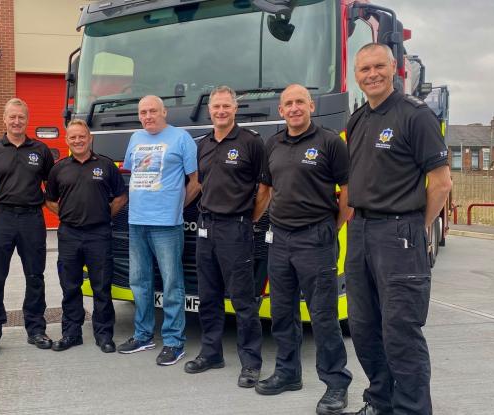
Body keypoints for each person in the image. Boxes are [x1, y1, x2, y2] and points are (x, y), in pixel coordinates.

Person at [343, 43, 452, 415]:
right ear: (355, 76)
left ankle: (411, 409)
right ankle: (380, 401)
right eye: (363, 69)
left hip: (398, 233)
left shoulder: (414, 115)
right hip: (360, 233)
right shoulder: (356, 120)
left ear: (394, 69)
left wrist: (417, 228)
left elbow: (440, 183)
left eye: (378, 67)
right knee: (363, 327)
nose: (371, 74)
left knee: (401, 330)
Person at [252, 84, 353, 414]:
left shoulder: (329, 143)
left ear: (310, 105)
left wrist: (330, 228)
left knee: (323, 316)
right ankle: (287, 372)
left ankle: (336, 383)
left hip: (316, 238)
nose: (294, 108)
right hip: (280, 239)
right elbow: (266, 190)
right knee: (282, 312)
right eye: (288, 104)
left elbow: (348, 194)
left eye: (300, 102)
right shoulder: (273, 144)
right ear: (280, 111)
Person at [183, 86, 263, 387]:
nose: (220, 111)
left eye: (226, 106)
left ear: (235, 109)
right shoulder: (202, 144)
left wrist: (246, 220)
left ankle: (251, 362)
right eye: (216, 106)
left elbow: (264, 188)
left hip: (236, 228)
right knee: (209, 295)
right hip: (206, 227)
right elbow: (201, 183)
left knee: (243, 300)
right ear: (210, 110)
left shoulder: (250, 143)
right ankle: (211, 352)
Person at [117, 95, 200, 366]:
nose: (148, 116)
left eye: (153, 110)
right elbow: (133, 175)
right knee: (139, 282)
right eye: (143, 112)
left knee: (172, 284)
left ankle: (174, 342)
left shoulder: (182, 138)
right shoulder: (135, 138)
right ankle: (143, 335)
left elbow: (196, 182)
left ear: (164, 111)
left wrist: (175, 207)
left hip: (167, 225)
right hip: (136, 221)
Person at [0, 98, 55, 357]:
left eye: (21, 117)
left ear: (27, 120)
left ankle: (35, 329)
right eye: (12, 117)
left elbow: (51, 188)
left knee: (35, 276)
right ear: (4, 119)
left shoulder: (41, 151)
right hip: (2, 219)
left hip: (32, 219)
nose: (17, 121)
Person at [44, 119, 128, 353]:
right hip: (69, 235)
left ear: (90, 138)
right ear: (67, 140)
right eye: (73, 137)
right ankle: (71, 333)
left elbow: (121, 197)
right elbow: (49, 200)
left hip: (99, 234)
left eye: (82, 136)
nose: (78, 141)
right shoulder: (59, 168)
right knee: (70, 287)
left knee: (102, 287)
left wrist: (103, 215)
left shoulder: (106, 165)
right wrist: (68, 216)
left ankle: (104, 334)